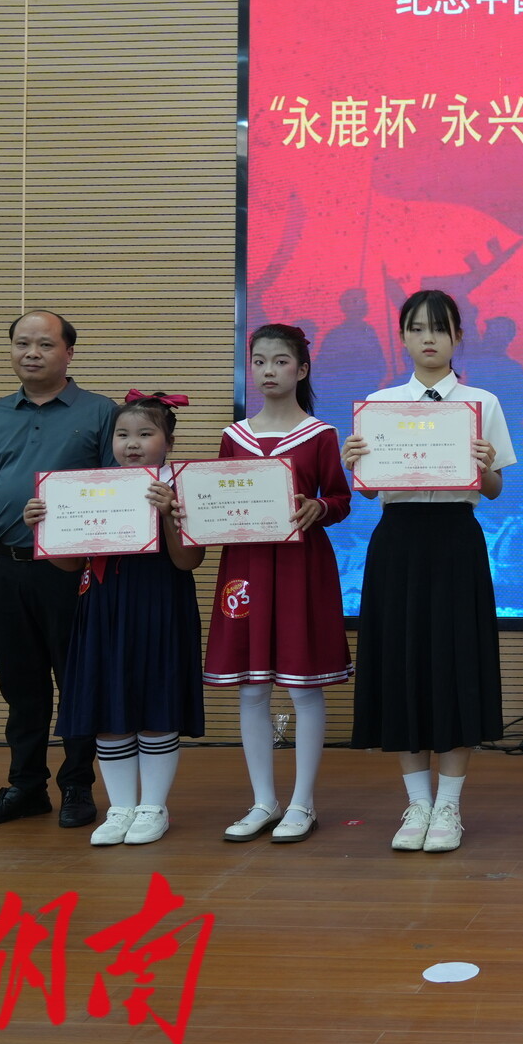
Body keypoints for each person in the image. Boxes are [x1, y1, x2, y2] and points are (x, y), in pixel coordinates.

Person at [342, 289, 513, 854]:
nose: (429, 338)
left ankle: (449, 807)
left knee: (455, 665)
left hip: (456, 539)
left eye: (439, 328)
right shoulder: (380, 404)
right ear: (403, 338)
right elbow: (370, 491)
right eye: (417, 329)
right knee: (403, 665)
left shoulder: (482, 402)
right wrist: (355, 464)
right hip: (398, 542)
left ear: (458, 336)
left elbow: (494, 489)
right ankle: (417, 803)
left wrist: (485, 467)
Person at [0, 310, 116, 829]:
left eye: (45, 344)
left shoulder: (101, 412)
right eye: (22, 343)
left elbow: (120, 491)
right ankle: (26, 786)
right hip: (5, 567)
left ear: (69, 352)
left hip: (72, 572)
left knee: (77, 681)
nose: (32, 353)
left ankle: (77, 785)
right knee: (21, 687)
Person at [27, 392, 205, 847]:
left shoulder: (181, 486)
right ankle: (121, 807)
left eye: (145, 434)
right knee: (108, 703)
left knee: (156, 700)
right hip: (103, 603)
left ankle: (153, 807)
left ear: (168, 442)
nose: (132, 443)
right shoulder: (90, 487)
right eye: (122, 434)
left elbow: (188, 561)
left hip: (160, 601)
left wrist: (167, 513)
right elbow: (70, 564)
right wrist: (44, 527)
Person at [205, 324, 354, 845]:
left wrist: (320, 507)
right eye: (260, 361)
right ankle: (263, 801)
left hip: (299, 566)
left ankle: (302, 803)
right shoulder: (235, 436)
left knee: (302, 685)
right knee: (251, 687)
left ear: (302, 369)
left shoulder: (320, 434)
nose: (269, 370)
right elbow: (216, 499)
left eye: (281, 361)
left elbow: (340, 499)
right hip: (245, 565)